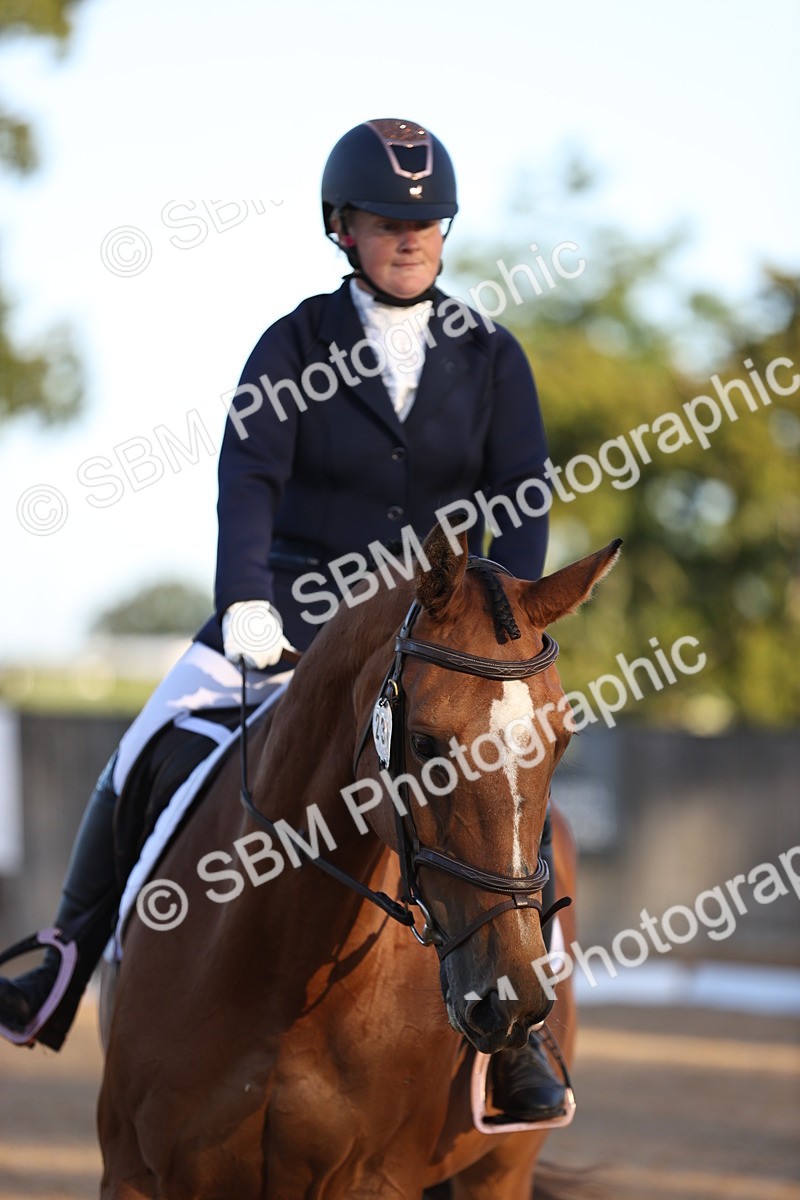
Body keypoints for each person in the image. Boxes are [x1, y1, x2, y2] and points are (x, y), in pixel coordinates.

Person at [0, 118, 566, 1122]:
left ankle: (517, 1045)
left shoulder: (489, 355)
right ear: (340, 228)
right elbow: (248, 478)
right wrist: (245, 601)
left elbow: (520, 494)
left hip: (436, 637)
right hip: (294, 615)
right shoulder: (294, 343)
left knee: (514, 798)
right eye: (388, 222)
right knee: (149, 746)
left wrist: (503, 626)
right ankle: (62, 955)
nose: (411, 239)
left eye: (427, 223)